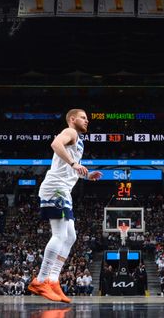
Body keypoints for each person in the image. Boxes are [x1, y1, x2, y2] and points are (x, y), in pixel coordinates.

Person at [28, 109, 102, 303]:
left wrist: (86, 174)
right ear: (72, 119)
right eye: (83, 117)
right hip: (56, 188)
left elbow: (70, 168)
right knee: (60, 235)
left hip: (63, 190)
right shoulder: (70, 132)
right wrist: (73, 163)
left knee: (71, 236)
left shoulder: (79, 141)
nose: (87, 121)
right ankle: (41, 280)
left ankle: (53, 280)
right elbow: (55, 144)